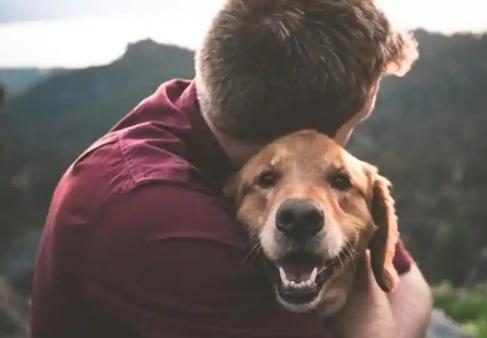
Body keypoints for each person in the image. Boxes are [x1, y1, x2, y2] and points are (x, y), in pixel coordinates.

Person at [30, 0, 431, 337]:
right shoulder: (156, 219)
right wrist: (366, 294)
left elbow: (412, 287)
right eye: (356, 122)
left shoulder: (205, 114)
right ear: (306, 132)